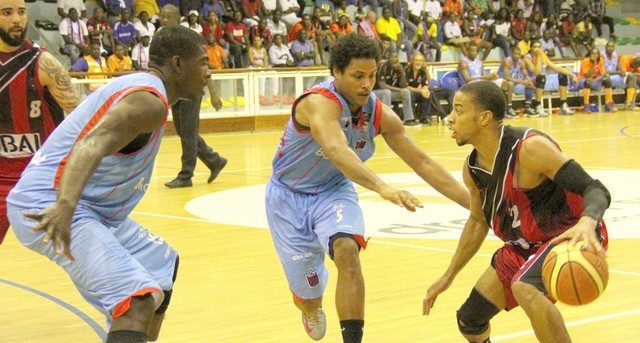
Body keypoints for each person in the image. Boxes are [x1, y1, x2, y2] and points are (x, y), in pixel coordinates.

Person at [6, 25, 210, 343]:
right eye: (203, 62)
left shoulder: (143, 89)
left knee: (161, 263)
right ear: (178, 63)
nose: (209, 72)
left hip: (88, 208)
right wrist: (65, 205)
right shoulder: (149, 102)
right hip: (51, 204)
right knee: (136, 302)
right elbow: (91, 144)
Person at [266, 34, 470, 343]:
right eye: (357, 76)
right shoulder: (317, 103)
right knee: (308, 297)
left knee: (347, 250)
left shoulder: (378, 113)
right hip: (287, 198)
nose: (366, 84)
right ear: (336, 73)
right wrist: (381, 186)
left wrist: (472, 202)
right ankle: (309, 306)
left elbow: (423, 162)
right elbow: (336, 149)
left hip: (333, 190)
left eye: (372, 76)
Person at [423, 81, 610, 343]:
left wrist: (589, 221)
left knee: (525, 286)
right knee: (470, 320)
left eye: (458, 110)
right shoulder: (473, 169)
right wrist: (448, 275)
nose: (449, 119)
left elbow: (595, 188)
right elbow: (478, 222)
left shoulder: (529, 149)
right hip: (524, 246)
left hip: (572, 235)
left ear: (484, 118)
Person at [0, 0, 80, 245]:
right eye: (7, 12)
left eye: (22, 12)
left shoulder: (44, 62)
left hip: (43, 177)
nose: (17, 19)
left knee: (78, 251)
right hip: (1, 178)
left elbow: (81, 116)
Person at [160, 4, 228, 188]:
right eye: (162, 16)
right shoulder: (163, 38)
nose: (164, 20)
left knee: (188, 132)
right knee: (184, 131)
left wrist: (214, 93)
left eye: (168, 17)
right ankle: (214, 161)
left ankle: (186, 175)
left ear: (177, 18)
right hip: (177, 90)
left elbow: (204, 67)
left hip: (192, 89)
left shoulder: (187, 39)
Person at [603, 41, 639, 110]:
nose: (610, 48)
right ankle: (609, 104)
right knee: (607, 78)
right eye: (608, 46)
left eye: (612, 46)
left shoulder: (616, 55)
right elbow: (602, 72)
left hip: (615, 76)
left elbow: (620, 68)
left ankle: (629, 103)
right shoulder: (601, 56)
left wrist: (622, 71)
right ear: (605, 47)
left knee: (630, 76)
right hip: (604, 77)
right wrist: (618, 72)